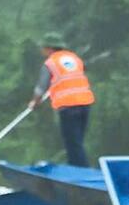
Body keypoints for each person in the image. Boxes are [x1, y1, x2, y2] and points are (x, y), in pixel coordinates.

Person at [32, 36, 95, 167]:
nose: (41, 50)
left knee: (72, 143)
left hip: (68, 106)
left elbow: (41, 88)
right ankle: (78, 167)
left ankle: (80, 172)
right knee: (78, 142)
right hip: (85, 104)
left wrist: (35, 102)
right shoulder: (75, 59)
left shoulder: (50, 63)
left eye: (43, 48)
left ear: (49, 48)